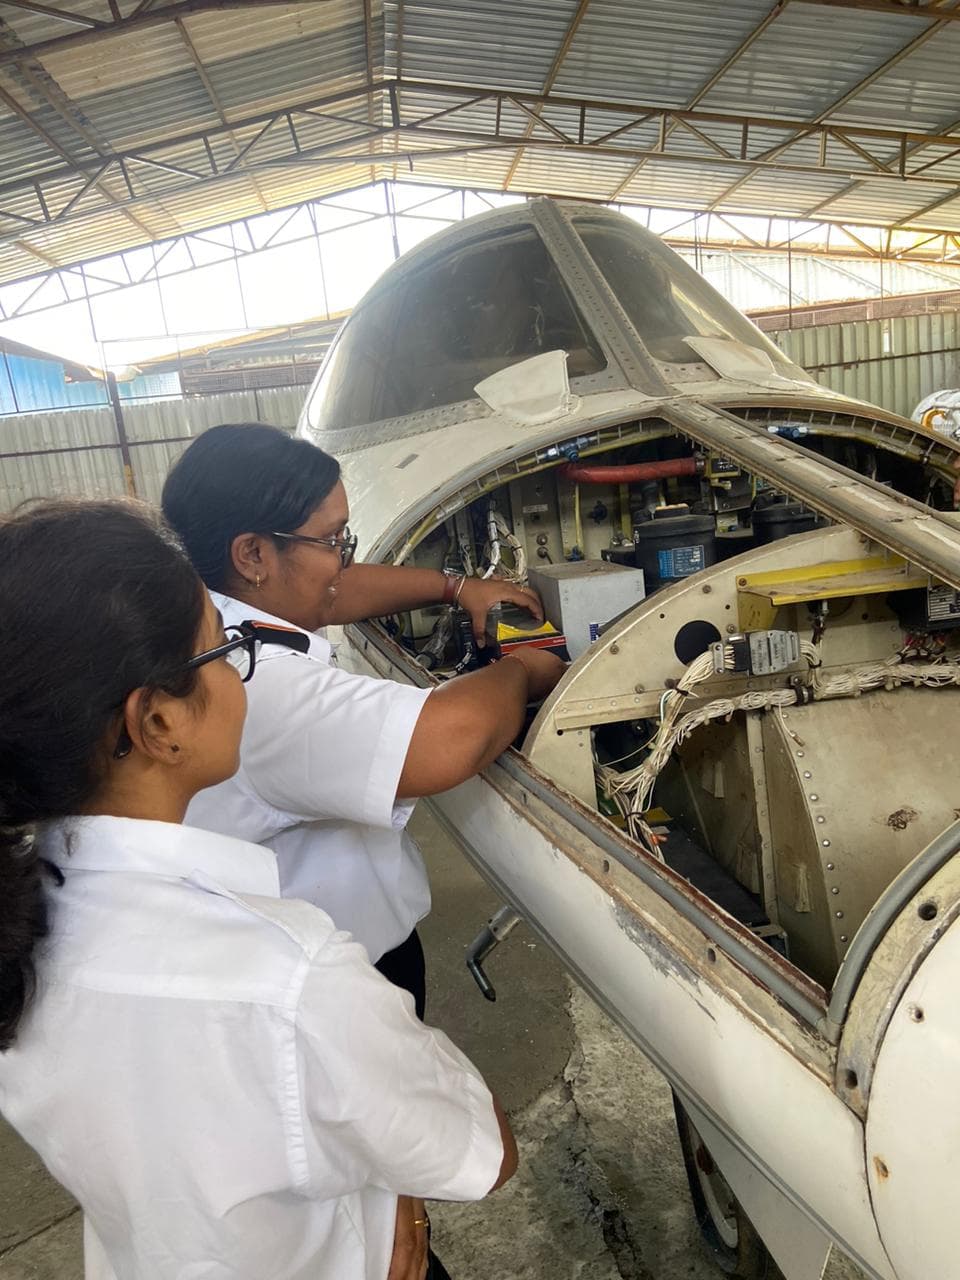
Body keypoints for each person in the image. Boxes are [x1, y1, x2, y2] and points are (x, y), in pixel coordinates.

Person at [0, 498, 517, 1280]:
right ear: (159, 723)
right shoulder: (289, 980)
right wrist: (398, 1192)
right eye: (226, 649)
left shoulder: (21, 929)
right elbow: (482, 1154)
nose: (246, 669)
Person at [162, 422, 566, 1018]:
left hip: (292, 955)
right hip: (330, 982)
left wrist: (458, 587)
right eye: (331, 542)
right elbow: (452, 738)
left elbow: (334, 591)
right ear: (252, 554)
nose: (341, 562)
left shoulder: (204, 608)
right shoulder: (260, 687)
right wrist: (527, 668)